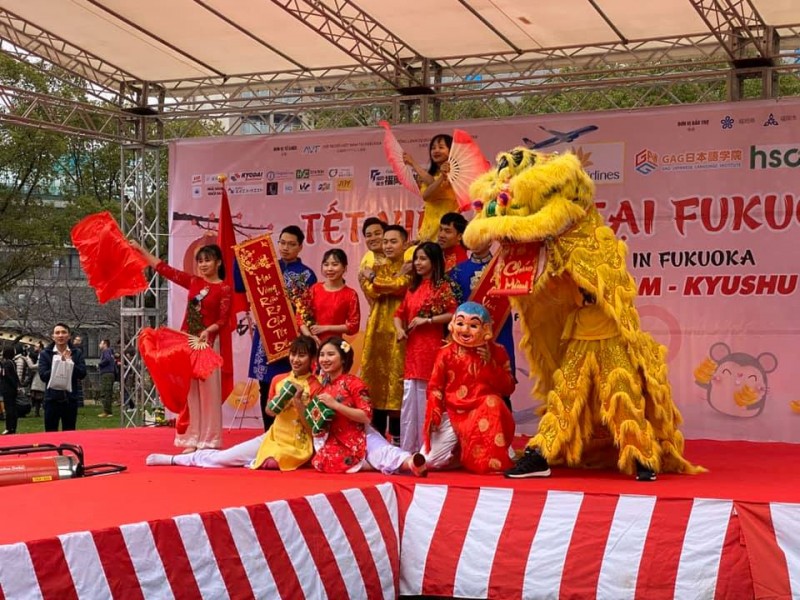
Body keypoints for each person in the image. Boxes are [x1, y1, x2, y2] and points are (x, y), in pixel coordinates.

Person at [145, 336, 321, 470]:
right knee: (225, 458)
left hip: (298, 445)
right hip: (273, 437)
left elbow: (313, 428)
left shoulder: (316, 386)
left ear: (312, 359)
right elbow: (269, 412)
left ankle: (253, 461)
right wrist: (280, 400)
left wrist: (298, 401)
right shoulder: (278, 379)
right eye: (293, 354)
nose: (296, 360)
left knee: (272, 463)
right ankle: (174, 460)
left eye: (302, 356)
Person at [132, 241, 232, 452]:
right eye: (201, 261)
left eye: (208, 260)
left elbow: (223, 319)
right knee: (190, 393)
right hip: (186, 342)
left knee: (209, 395)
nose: (204, 265)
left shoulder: (224, 288)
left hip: (207, 345)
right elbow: (165, 270)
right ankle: (190, 439)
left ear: (218, 262)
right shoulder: (194, 282)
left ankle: (210, 440)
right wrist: (143, 252)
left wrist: (209, 330)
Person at [235, 224, 317, 431]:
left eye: (291, 244)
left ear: (300, 247)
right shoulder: (265, 266)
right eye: (282, 243)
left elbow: (308, 311)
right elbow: (239, 285)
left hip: (292, 339)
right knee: (266, 386)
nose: (286, 248)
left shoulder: (307, 275)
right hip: (265, 337)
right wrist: (240, 258)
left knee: (292, 385)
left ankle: (291, 432)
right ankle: (267, 433)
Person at [311, 337, 426, 476]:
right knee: (327, 460)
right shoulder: (323, 388)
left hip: (361, 433)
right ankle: (369, 464)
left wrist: (335, 405)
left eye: (330, 354)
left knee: (382, 450)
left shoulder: (354, 383)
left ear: (343, 359)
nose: (324, 359)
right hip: (337, 440)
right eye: (322, 355)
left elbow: (366, 416)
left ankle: (411, 462)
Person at [423, 302, 516, 473]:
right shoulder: (445, 353)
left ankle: (482, 456)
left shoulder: (498, 351)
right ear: (453, 324)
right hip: (453, 412)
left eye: (473, 325)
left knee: (493, 401)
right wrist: (434, 412)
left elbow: (508, 388)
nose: (465, 330)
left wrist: (490, 364)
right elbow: (435, 387)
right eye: (460, 323)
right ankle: (461, 452)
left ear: (486, 329)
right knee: (430, 462)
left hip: (483, 412)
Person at [393, 242, 457, 453]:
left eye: (423, 259)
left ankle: (428, 448)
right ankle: (409, 447)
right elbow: (399, 314)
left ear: (434, 261)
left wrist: (427, 321)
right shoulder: (412, 288)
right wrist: (400, 330)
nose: (418, 264)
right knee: (410, 399)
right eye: (416, 259)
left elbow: (453, 314)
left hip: (431, 349)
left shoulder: (442, 287)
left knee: (428, 396)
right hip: (412, 351)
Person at [450, 238, 517, 407]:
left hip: (498, 330)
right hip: (467, 335)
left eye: (480, 236)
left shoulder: (506, 267)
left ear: (489, 242)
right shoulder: (457, 271)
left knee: (500, 381)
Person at [360, 225, 410, 444]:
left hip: (400, 328)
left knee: (397, 378)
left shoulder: (411, 266)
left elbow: (400, 286)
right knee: (375, 380)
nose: (388, 246)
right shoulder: (376, 264)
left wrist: (373, 277)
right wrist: (376, 280)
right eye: (385, 242)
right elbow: (371, 290)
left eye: (393, 241)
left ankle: (399, 437)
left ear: (405, 244)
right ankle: (377, 437)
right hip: (377, 329)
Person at [296, 249, 360, 348]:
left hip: (334, 346)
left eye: (335, 264)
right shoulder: (314, 289)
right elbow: (300, 316)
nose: (329, 269)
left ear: (344, 267)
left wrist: (326, 328)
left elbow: (353, 326)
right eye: (326, 265)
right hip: (311, 345)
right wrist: (310, 336)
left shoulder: (350, 294)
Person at [403, 134, 459, 243]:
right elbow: (429, 189)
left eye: (441, 147)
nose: (436, 150)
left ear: (451, 150)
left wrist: (413, 163)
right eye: (433, 148)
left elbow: (428, 192)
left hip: (447, 231)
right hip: (428, 231)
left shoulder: (455, 173)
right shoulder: (433, 175)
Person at [38, 323, 87, 432]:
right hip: (51, 400)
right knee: (50, 433)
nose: (60, 335)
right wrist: (60, 363)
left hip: (70, 399)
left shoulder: (76, 353)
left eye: (64, 332)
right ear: (53, 336)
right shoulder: (45, 354)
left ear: (69, 336)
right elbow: (43, 376)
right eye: (57, 333)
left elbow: (82, 373)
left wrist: (70, 363)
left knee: (69, 433)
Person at [1, 346, 20, 434]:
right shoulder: (12, 363)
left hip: (8, 389)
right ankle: (12, 427)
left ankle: (10, 427)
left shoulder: (7, 364)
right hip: (11, 389)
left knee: (9, 409)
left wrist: (14, 386)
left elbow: (8, 376)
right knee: (12, 408)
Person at [97, 339, 116, 418]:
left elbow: (107, 360)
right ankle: (108, 411)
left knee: (105, 392)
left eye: (101, 343)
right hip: (110, 373)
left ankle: (107, 411)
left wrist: (100, 364)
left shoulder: (106, 351)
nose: (99, 345)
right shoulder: (110, 352)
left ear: (105, 344)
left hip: (106, 373)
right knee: (108, 392)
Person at [29, 342, 46, 418]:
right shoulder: (40, 355)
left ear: (40, 347)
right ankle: (37, 412)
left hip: (40, 378)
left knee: (39, 396)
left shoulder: (42, 355)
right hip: (39, 377)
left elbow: (34, 366)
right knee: (38, 396)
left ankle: (40, 411)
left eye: (36, 346)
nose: (34, 348)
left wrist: (27, 359)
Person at [71, 335, 85, 407]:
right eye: (77, 339)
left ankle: (78, 402)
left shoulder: (79, 349)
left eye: (79, 340)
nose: (77, 341)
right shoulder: (74, 348)